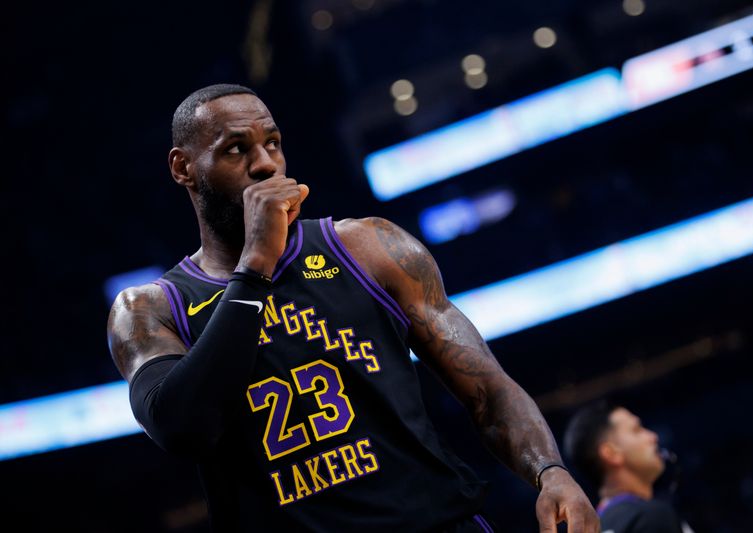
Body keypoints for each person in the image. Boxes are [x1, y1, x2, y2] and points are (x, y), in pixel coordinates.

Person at [107, 83, 599, 532]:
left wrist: (549, 471)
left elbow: (487, 389)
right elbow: (182, 428)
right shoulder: (150, 309)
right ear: (183, 167)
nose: (265, 165)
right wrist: (255, 266)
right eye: (236, 149)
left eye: (273, 144)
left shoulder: (367, 246)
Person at [563, 402, 693, 533]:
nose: (652, 437)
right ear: (611, 454)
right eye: (637, 430)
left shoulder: (593, 527)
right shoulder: (651, 517)